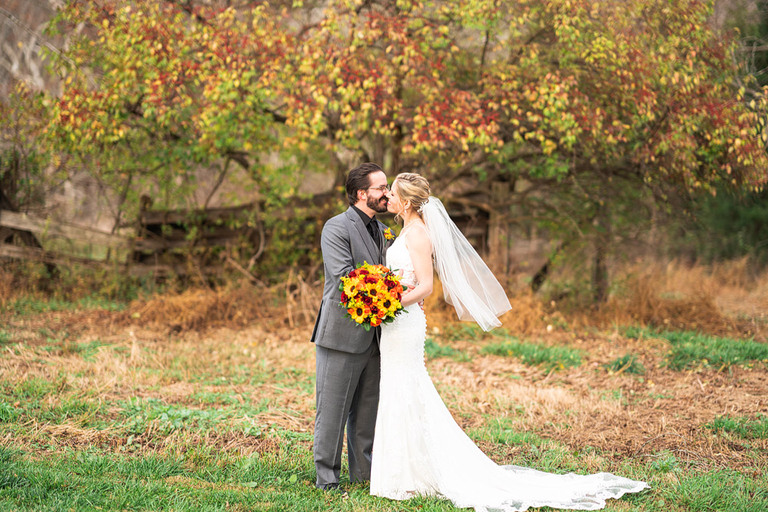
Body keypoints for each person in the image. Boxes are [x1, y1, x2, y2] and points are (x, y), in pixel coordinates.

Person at [370, 172, 648, 510]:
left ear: (409, 202)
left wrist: (389, 302)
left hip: (405, 320)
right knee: (398, 386)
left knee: (407, 386)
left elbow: (426, 287)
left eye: (394, 194)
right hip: (395, 323)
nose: (389, 199)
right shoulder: (406, 230)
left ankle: (413, 476)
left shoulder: (418, 235)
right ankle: (402, 473)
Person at [310, 162, 393, 491]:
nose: (387, 193)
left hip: (375, 336)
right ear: (362, 194)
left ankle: (364, 475)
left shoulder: (385, 231)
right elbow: (345, 277)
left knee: (366, 411)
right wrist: (394, 291)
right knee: (331, 410)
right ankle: (326, 478)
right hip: (342, 335)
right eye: (381, 188)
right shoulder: (336, 227)